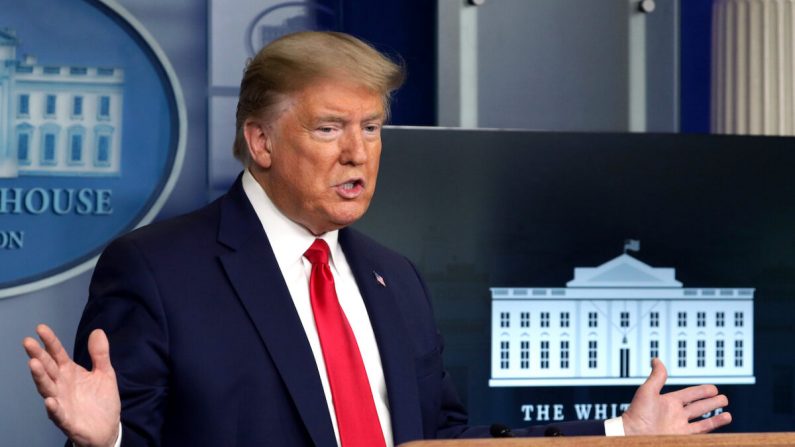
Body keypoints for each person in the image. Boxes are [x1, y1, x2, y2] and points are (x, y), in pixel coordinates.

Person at [23, 31, 732, 447]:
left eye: (371, 127)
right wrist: (107, 439)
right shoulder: (157, 269)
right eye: (330, 128)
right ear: (259, 140)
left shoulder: (396, 279)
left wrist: (618, 435)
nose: (358, 152)